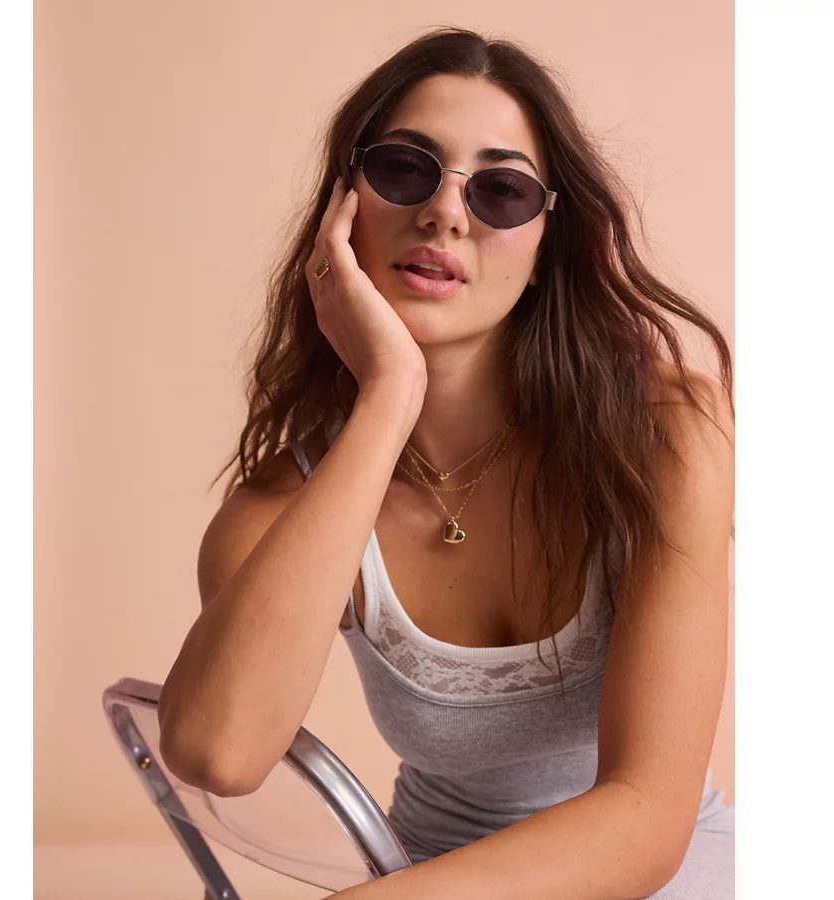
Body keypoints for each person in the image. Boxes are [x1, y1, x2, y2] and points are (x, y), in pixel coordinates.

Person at [157, 26, 735, 900]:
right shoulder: (281, 506)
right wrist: (389, 396)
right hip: (423, 873)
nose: (445, 213)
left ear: (545, 248)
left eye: (501, 190)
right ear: (344, 209)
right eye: (404, 169)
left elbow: (647, 816)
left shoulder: (664, 432)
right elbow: (217, 753)